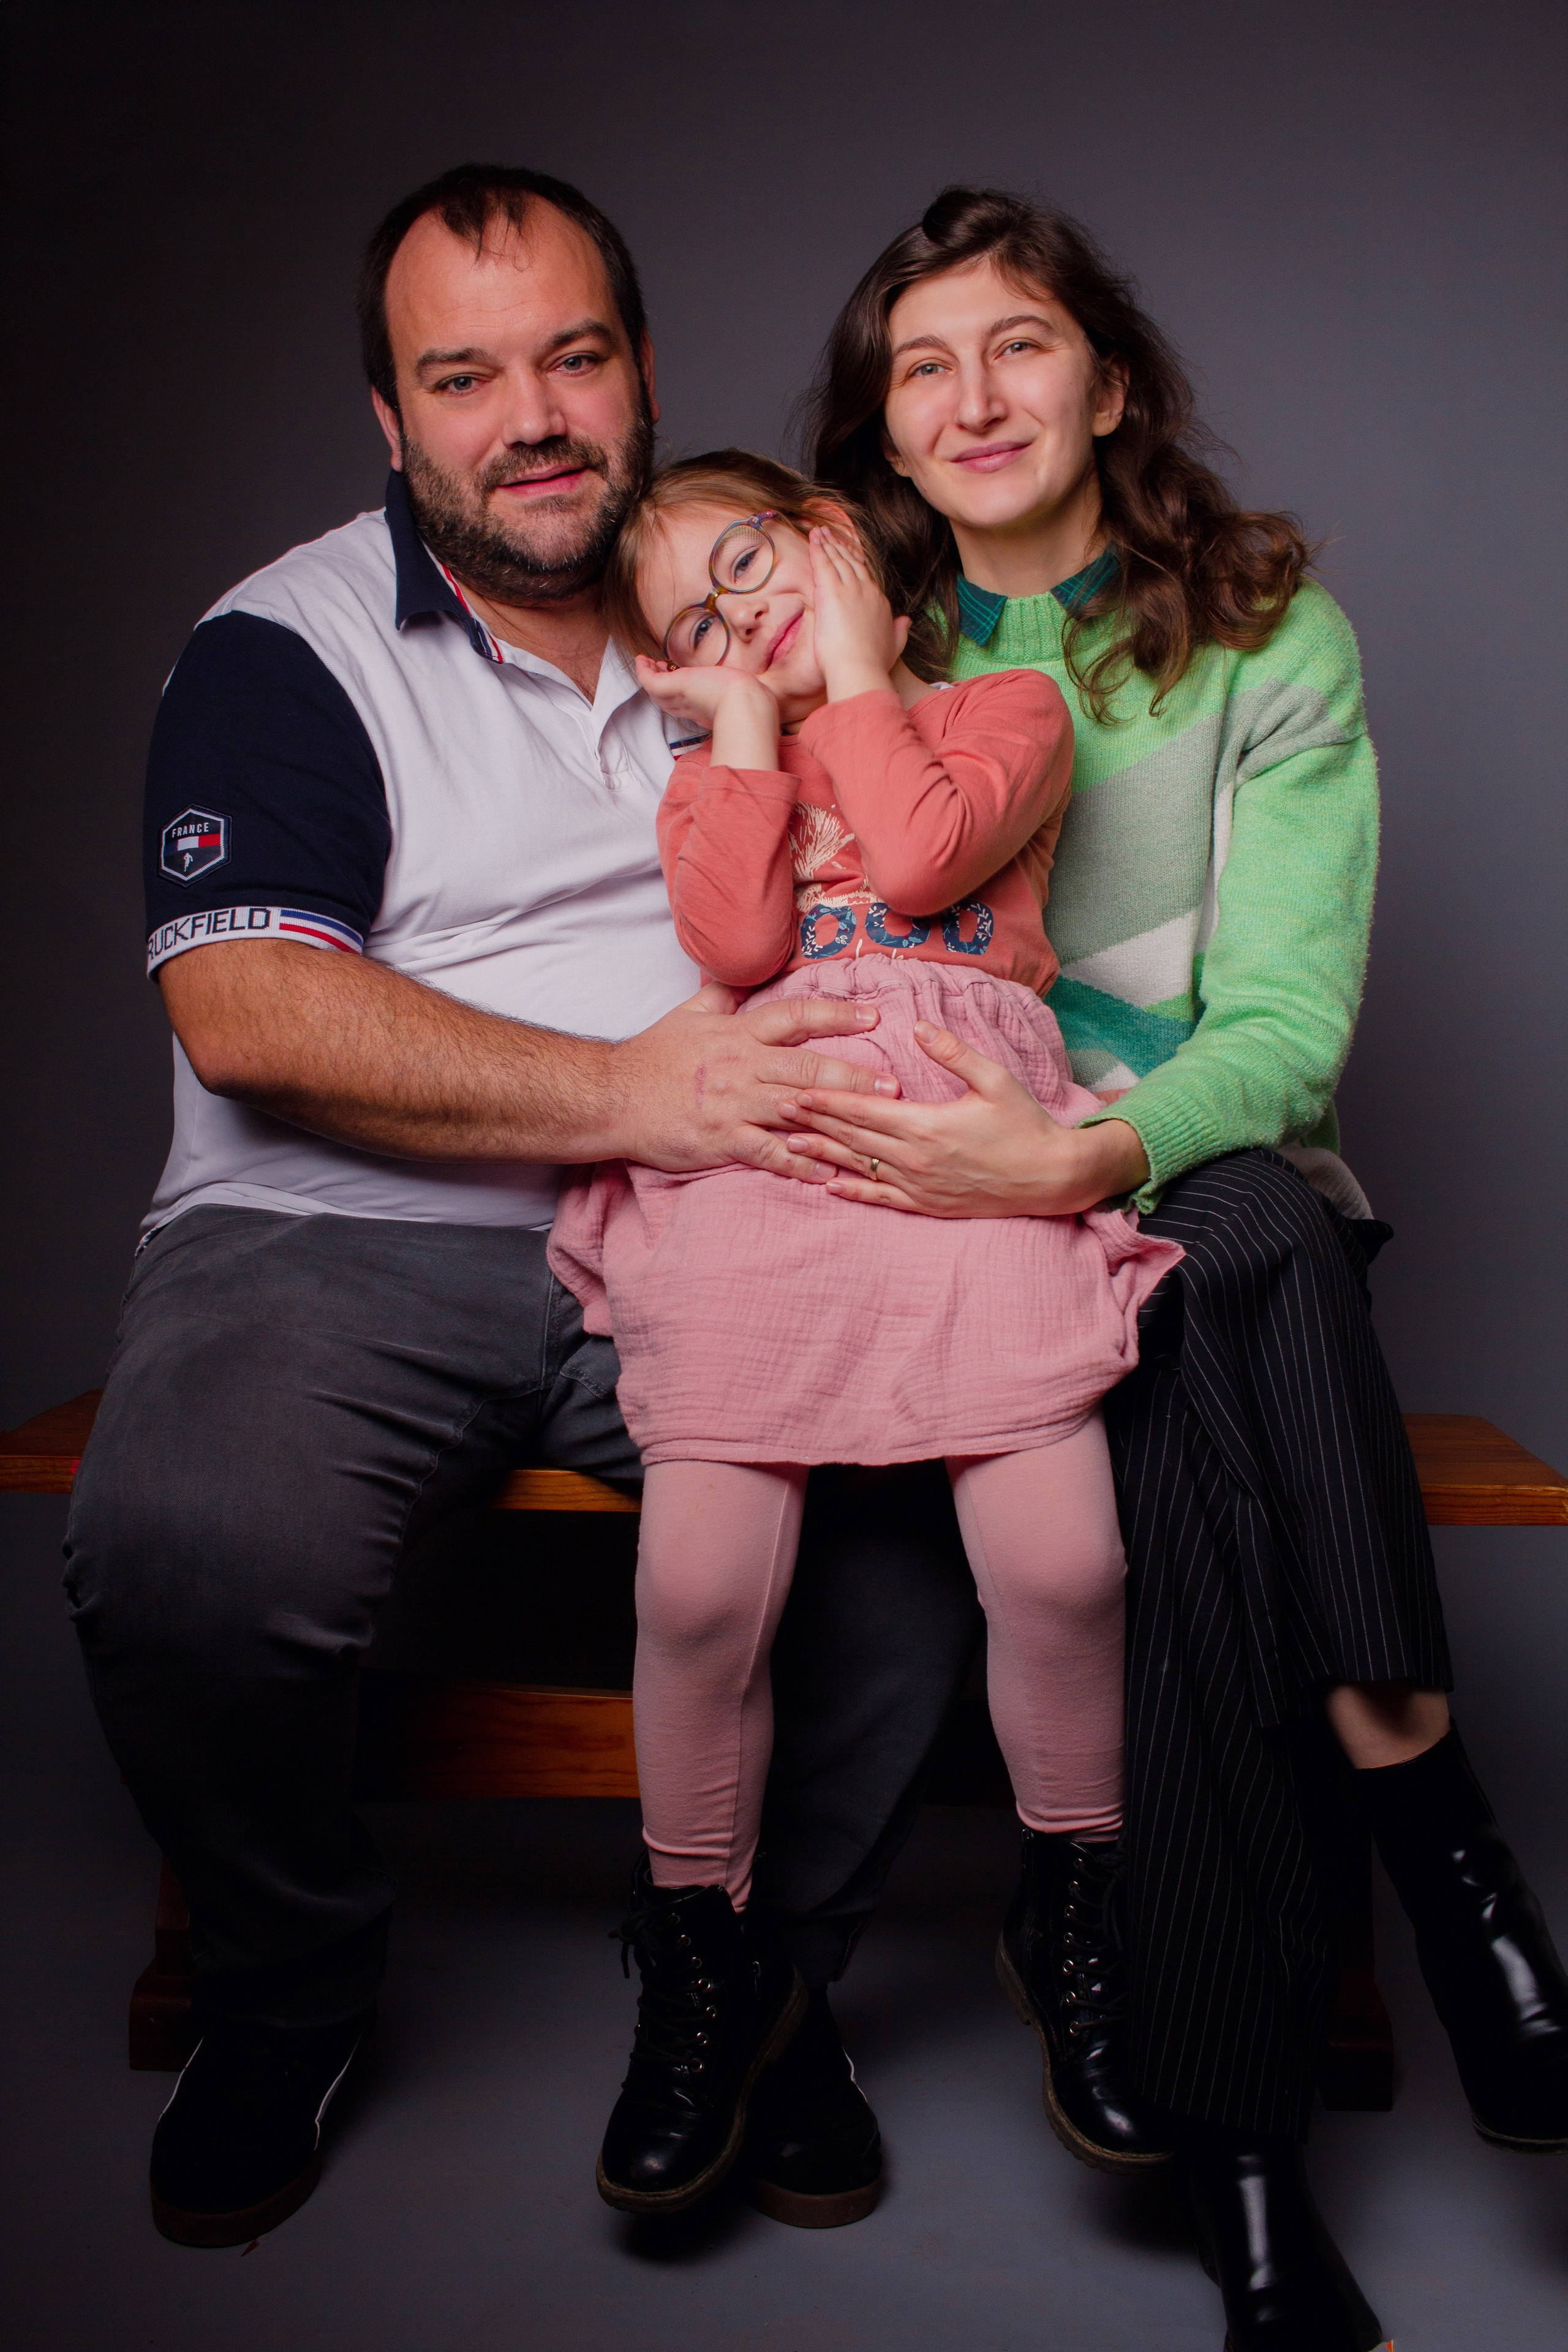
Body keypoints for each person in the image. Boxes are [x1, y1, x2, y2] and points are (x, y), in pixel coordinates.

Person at [61, 164, 984, 2252]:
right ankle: (287, 1986)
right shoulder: (283, 647)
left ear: (641, 371)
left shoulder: (741, 605)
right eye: (462, 376)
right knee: (189, 1546)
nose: (532, 414)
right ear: (393, 423)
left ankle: (753, 1973)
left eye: (573, 356)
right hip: (336, 1242)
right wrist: (627, 1094)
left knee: (920, 1527)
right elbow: (245, 1006)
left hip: (711, 1230)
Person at [780, 186, 1568, 2350]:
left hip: (1200, 1186)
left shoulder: (1266, 633)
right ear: (887, 438)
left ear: (1106, 383)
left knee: (1229, 1280)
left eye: (1018, 344)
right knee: (1221, 1396)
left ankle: (1244, 2182)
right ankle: (1456, 1875)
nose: (975, 394)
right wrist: (994, 1168)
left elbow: (1286, 1036)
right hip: (945, 1234)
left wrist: (1081, 1151)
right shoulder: (864, 664)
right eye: (922, 367)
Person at [547, 450, 1183, 2216]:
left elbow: (915, 855)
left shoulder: (1007, 703)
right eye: (690, 623)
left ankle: (1074, 1907)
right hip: (774, 1138)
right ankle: (708, 1957)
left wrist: (847, 670)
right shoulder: (712, 773)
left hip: (970, 1144)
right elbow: (741, 940)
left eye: (749, 560)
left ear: (836, 536)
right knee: (694, 1592)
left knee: (1061, 1566)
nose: (731, 615)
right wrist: (744, 733)